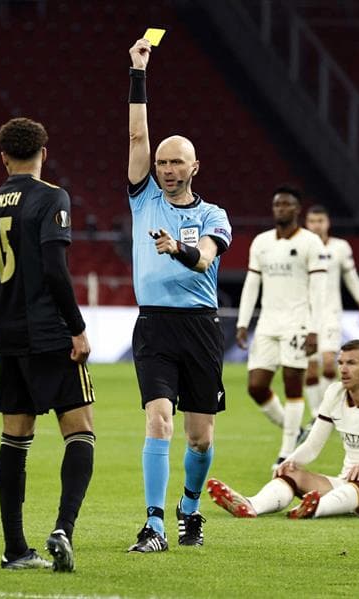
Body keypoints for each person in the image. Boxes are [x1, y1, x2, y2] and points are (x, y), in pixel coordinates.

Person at [126, 38, 233, 553]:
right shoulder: (143, 197)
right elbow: (137, 132)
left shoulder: (213, 216)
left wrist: (178, 252)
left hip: (200, 326)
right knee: (158, 419)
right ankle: (154, 525)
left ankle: (189, 509)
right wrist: (138, 73)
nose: (166, 169)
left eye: (176, 163)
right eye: (161, 162)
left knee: (200, 437)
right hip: (154, 325)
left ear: (195, 167)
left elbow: (207, 258)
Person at [0, 117, 95, 572]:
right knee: (80, 429)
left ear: (4, 157)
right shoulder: (51, 197)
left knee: (15, 436)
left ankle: (14, 549)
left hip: (9, 335)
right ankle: (63, 528)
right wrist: (76, 326)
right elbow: (54, 268)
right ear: (44, 152)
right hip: (49, 333)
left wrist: (4, 323)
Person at [207, 340, 359, 519]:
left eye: (351, 363)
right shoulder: (335, 393)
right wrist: (290, 461)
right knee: (292, 472)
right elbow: (313, 445)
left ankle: (315, 509)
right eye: (340, 362)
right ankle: (252, 505)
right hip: (346, 486)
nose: (343, 369)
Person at [236, 187, 326, 470]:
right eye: (277, 204)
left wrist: (314, 329)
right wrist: (242, 322)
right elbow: (252, 284)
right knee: (256, 386)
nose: (281, 209)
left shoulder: (311, 243)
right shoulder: (261, 243)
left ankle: (287, 451)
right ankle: (296, 429)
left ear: (297, 209)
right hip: (267, 324)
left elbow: (319, 290)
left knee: (292, 384)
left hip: (297, 323)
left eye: (287, 204)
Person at [303, 205, 359, 419]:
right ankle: (317, 414)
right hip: (305, 315)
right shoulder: (300, 246)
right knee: (311, 368)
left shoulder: (341, 247)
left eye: (320, 221)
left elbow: (351, 276)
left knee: (330, 363)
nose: (316, 225)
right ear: (307, 223)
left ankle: (326, 409)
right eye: (312, 221)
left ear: (328, 223)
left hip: (331, 312)